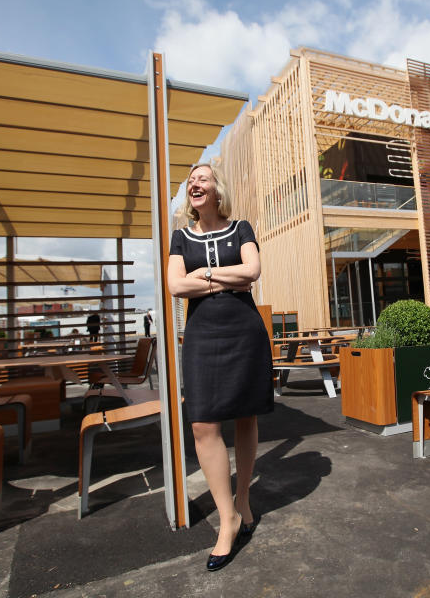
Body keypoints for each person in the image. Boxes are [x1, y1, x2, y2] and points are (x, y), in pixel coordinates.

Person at [167, 162, 273, 572]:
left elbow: (253, 271)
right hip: (202, 335)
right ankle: (227, 517)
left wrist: (205, 273)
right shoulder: (180, 236)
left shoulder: (241, 227)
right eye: (191, 180)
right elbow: (177, 286)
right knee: (203, 424)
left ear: (216, 189)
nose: (195, 183)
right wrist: (228, 280)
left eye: (203, 178)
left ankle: (243, 499)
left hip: (243, 331)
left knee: (246, 417)